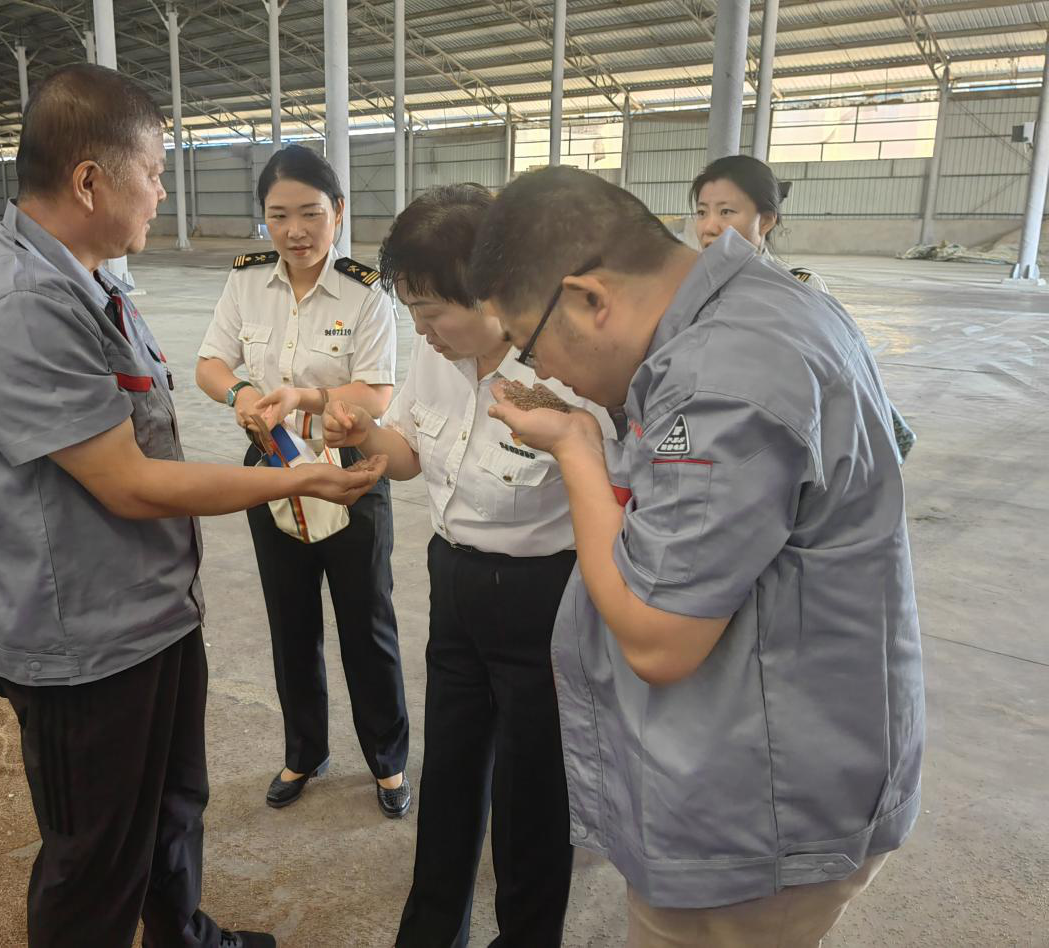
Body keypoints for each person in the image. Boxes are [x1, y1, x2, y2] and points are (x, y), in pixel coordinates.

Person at [0, 64, 382, 948]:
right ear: (90, 180)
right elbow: (132, 482)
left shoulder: (93, 279)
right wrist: (294, 477)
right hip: (84, 643)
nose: (163, 190)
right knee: (96, 859)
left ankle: (186, 938)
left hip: (152, 613)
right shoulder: (22, 307)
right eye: (155, 170)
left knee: (174, 809)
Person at [471, 166, 924, 948]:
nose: (537, 370)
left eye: (527, 342)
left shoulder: (721, 380)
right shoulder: (765, 307)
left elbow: (657, 638)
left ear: (588, 299)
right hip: (790, 753)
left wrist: (578, 447)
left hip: (761, 817)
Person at [322, 183, 611, 948]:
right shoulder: (437, 355)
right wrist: (360, 434)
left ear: (497, 291)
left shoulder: (568, 374)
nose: (422, 328)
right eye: (411, 309)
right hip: (453, 586)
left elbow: (615, 502)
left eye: (434, 309)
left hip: (542, 602)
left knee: (530, 803)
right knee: (448, 780)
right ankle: (428, 933)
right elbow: (410, 457)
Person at [195, 145, 411, 817]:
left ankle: (387, 760)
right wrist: (239, 395)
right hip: (272, 477)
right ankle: (304, 751)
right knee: (290, 622)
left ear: (338, 213)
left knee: (365, 622)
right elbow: (209, 362)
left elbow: (377, 392)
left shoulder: (365, 291)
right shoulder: (246, 282)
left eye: (311, 214)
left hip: (347, 477)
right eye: (279, 215)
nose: (295, 231)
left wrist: (302, 398)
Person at [691, 154, 916, 460]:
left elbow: (843, 382)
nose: (709, 227)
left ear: (766, 220)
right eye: (702, 212)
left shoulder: (803, 290)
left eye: (726, 212)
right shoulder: (691, 294)